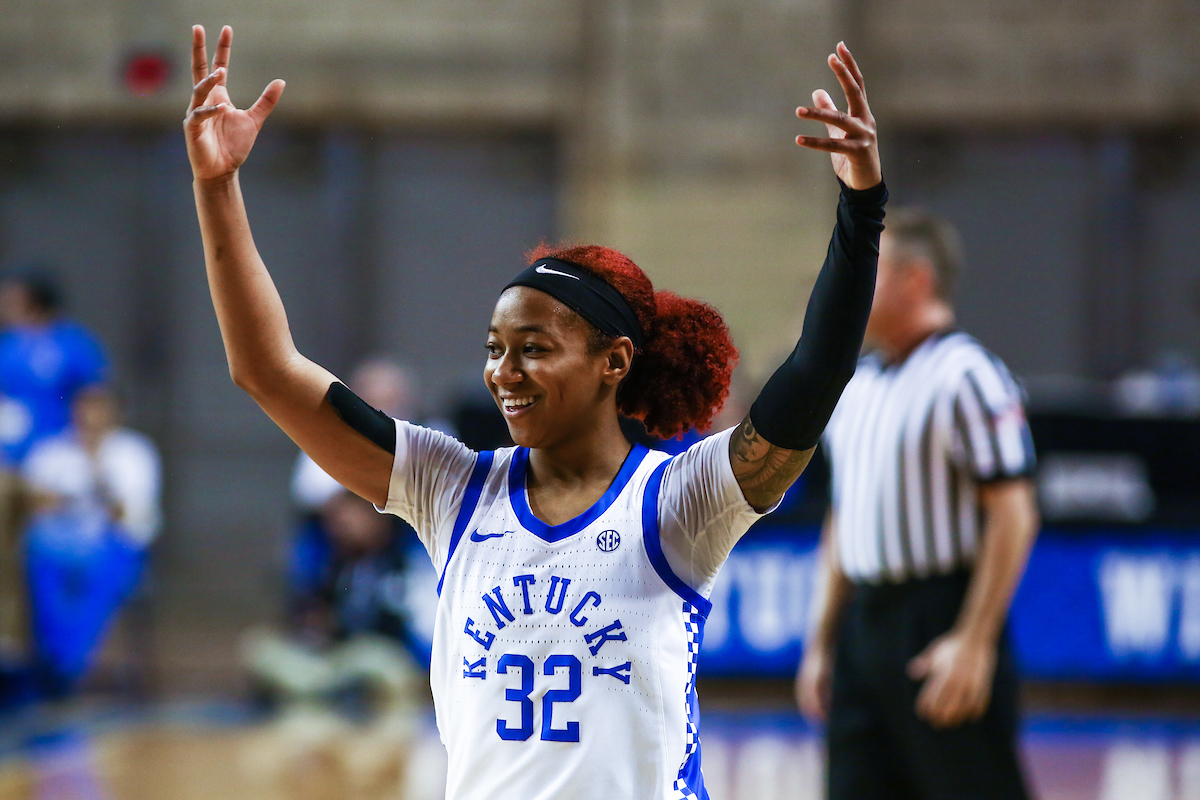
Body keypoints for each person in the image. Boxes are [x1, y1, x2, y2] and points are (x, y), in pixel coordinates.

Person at [185, 25, 884, 799]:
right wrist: (217, 189)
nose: (503, 372)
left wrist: (861, 207)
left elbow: (817, 372)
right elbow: (267, 371)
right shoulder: (450, 487)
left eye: (533, 348)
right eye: (494, 347)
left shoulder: (679, 501)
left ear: (613, 362)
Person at [794, 208, 1040, 800]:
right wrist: (822, 644)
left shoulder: (969, 376)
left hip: (938, 618)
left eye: (869, 274)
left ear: (915, 280)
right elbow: (842, 522)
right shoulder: (854, 388)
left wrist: (974, 642)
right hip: (863, 626)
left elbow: (1014, 512)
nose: (850, 290)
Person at [21, 385, 162, 696]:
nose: (91, 416)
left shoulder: (134, 452)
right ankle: (56, 659)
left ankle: (65, 666)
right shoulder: (51, 451)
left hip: (115, 545)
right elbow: (36, 504)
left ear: (115, 413)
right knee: (40, 560)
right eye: (85, 407)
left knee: (103, 573)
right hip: (60, 544)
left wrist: (95, 470)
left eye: (99, 408)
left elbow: (127, 512)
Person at [0, 267, 108, 465]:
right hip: (8, 454)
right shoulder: (7, 344)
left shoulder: (73, 344)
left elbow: (95, 395)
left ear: (36, 302)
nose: (4, 306)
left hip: (57, 454)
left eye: (12, 300)